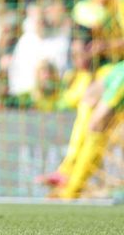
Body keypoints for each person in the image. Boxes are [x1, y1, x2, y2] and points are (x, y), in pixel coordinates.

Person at [38, 60, 124, 199]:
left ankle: (73, 189)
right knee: (88, 97)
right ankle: (66, 170)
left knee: (97, 124)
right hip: (119, 68)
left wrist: (106, 46)